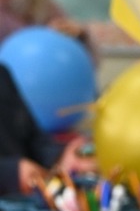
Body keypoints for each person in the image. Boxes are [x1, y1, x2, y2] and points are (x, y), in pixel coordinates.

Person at [0, 63, 95, 195]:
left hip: (26, 202)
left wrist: (61, 157)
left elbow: (33, 137)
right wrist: (9, 173)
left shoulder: (2, 73)